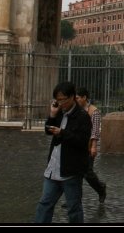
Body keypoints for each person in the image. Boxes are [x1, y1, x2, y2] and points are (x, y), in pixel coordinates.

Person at [34, 81, 92, 223]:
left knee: (73, 208)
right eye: (57, 100)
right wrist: (52, 116)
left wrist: (62, 133)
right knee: (44, 204)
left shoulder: (83, 117)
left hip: (70, 171)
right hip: (53, 169)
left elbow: (82, 142)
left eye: (63, 100)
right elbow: (48, 131)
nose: (60, 103)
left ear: (72, 97)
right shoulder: (59, 112)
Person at [75, 87, 107, 204]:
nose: (75, 100)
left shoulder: (94, 111)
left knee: (87, 173)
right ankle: (74, 198)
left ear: (84, 98)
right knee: (75, 173)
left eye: (77, 98)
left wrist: (94, 146)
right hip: (76, 145)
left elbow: (95, 131)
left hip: (88, 147)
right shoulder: (75, 110)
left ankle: (100, 188)